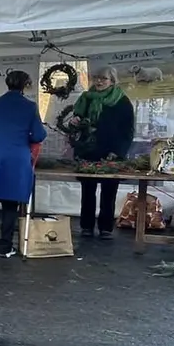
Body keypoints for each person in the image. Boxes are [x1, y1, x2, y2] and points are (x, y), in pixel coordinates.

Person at [0, 70, 47, 258]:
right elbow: (39, 135)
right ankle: (5, 247)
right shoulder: (29, 107)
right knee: (10, 204)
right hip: (16, 158)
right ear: (25, 85)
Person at [70, 66, 136, 239]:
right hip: (88, 151)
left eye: (103, 78)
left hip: (111, 153)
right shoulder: (86, 98)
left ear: (112, 81)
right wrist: (75, 121)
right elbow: (77, 121)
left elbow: (127, 131)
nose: (99, 81)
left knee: (109, 192)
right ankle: (86, 226)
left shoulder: (122, 101)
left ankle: (106, 228)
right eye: (96, 78)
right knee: (88, 191)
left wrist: (118, 151)